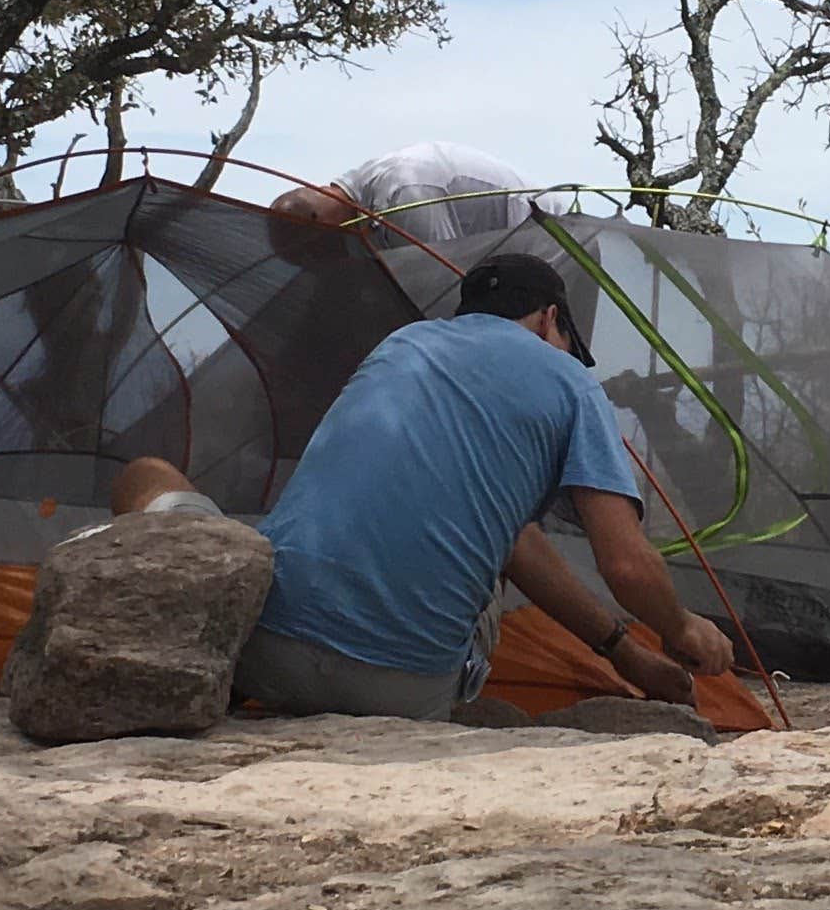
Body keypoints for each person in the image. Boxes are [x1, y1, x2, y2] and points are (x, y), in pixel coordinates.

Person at [108, 250, 736, 721]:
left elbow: (503, 531)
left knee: (147, 475)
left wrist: (626, 654)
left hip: (261, 650)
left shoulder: (400, 345)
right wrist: (682, 629)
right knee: (490, 540)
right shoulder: (570, 381)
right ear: (551, 319)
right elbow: (624, 565)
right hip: (403, 688)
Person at [272, 140, 559, 247]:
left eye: (319, 250)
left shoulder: (403, 194)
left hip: (552, 235)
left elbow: (440, 279)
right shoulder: (365, 197)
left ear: (319, 223)